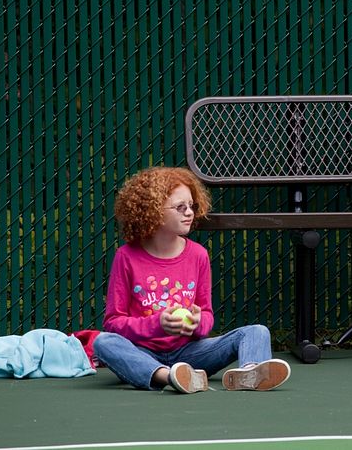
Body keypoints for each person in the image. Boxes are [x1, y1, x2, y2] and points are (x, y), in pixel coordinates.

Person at [92, 166, 291, 392]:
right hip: (143, 353)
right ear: (152, 210)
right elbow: (113, 322)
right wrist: (157, 325)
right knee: (104, 342)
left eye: (191, 206)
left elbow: (206, 314)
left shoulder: (198, 255)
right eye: (180, 207)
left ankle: (250, 372)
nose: (189, 212)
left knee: (256, 331)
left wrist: (198, 324)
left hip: (190, 354)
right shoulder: (126, 257)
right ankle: (169, 377)